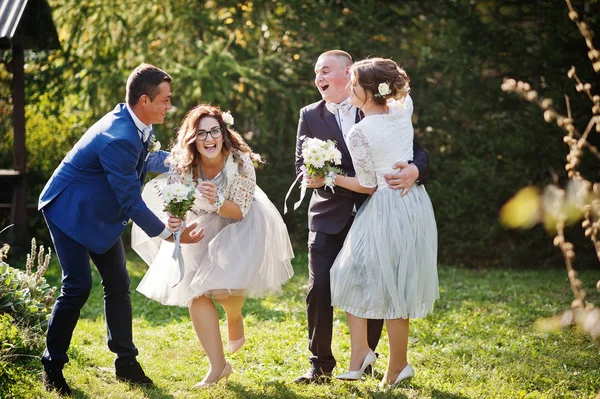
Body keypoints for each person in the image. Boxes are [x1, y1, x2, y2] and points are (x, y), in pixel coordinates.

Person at [38, 63, 204, 396]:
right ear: (145, 100)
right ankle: (52, 366)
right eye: (166, 100)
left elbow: (147, 160)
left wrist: (188, 161)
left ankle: (125, 363)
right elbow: (131, 201)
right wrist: (171, 233)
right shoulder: (119, 137)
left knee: (118, 283)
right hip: (68, 210)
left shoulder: (136, 122)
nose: (170, 107)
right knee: (77, 286)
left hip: (100, 211)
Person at [131, 104, 294, 389]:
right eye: (202, 132)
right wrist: (176, 220)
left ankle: (234, 315)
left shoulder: (240, 162)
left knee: (222, 290)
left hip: (239, 223)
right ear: (192, 137)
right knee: (196, 293)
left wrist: (217, 200)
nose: (209, 139)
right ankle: (218, 366)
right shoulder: (184, 165)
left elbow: (240, 211)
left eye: (214, 131)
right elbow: (176, 202)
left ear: (223, 133)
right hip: (201, 223)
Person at [293, 50, 430, 384]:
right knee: (322, 286)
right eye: (315, 73)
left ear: (348, 73)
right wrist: (313, 176)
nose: (319, 78)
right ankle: (320, 364)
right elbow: (301, 163)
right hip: (329, 213)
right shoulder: (310, 114)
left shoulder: (382, 111)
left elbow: (416, 151)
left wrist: (414, 170)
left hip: (377, 211)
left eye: (325, 70)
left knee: (379, 288)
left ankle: (366, 356)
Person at [329, 58, 439, 388]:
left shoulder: (359, 132)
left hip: (386, 207)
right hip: (414, 204)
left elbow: (367, 185)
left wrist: (331, 177)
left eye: (353, 84)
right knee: (379, 277)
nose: (348, 88)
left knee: (377, 281)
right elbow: (401, 95)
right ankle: (364, 353)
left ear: (368, 91)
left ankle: (397, 366)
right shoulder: (402, 110)